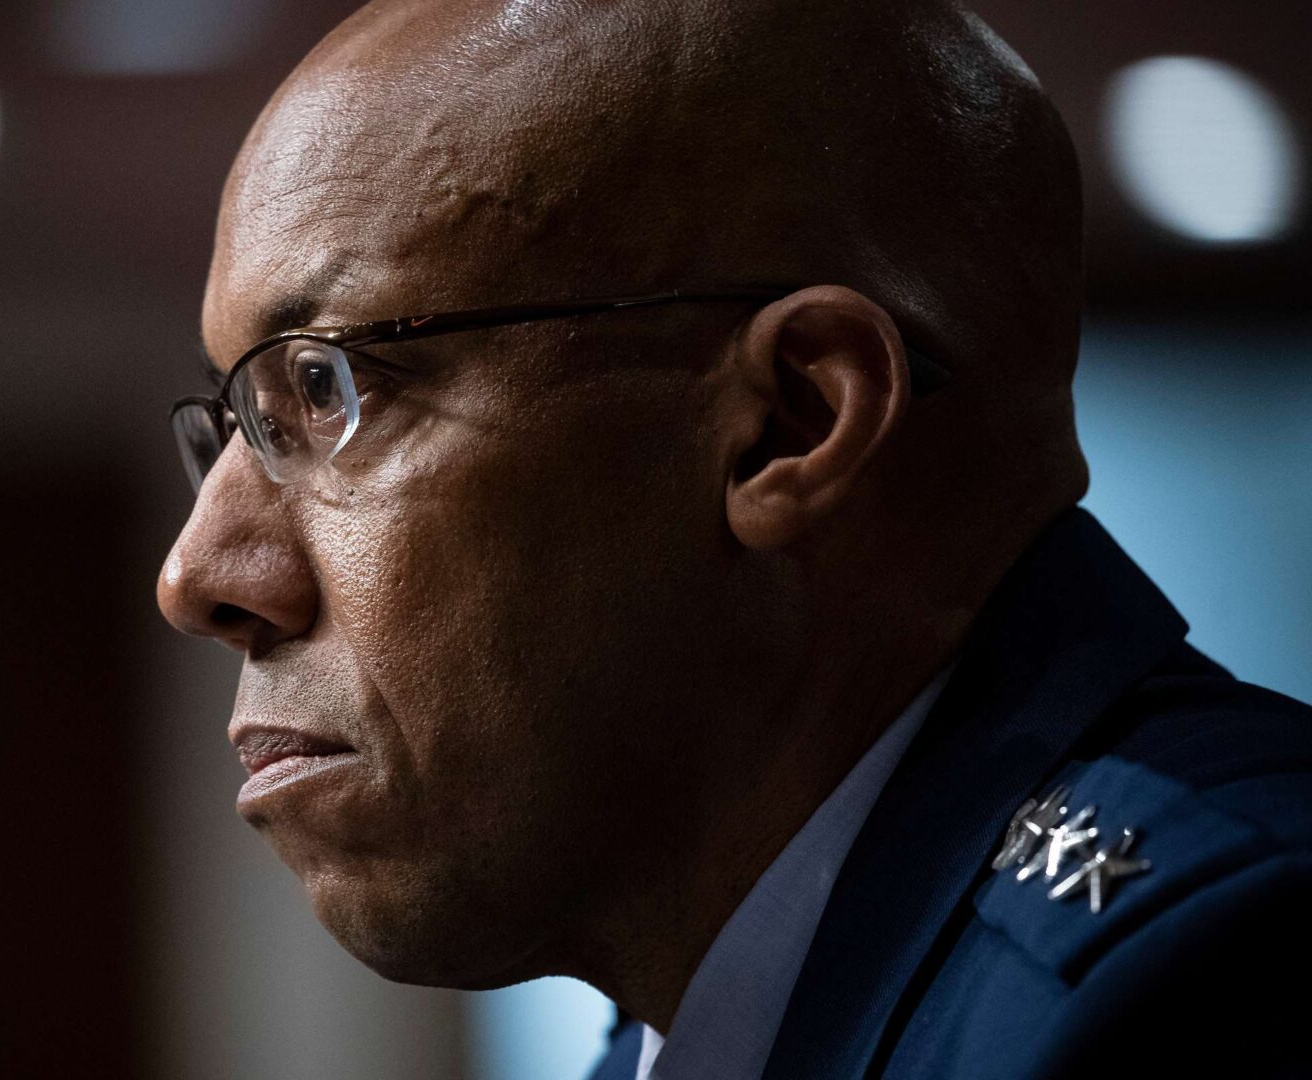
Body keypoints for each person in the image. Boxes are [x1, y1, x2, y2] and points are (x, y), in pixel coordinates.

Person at [155, 0, 1312, 1075]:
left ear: (791, 423)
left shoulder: (1209, 977)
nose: (197, 576)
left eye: (324, 388)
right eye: (236, 428)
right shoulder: (703, 1010)